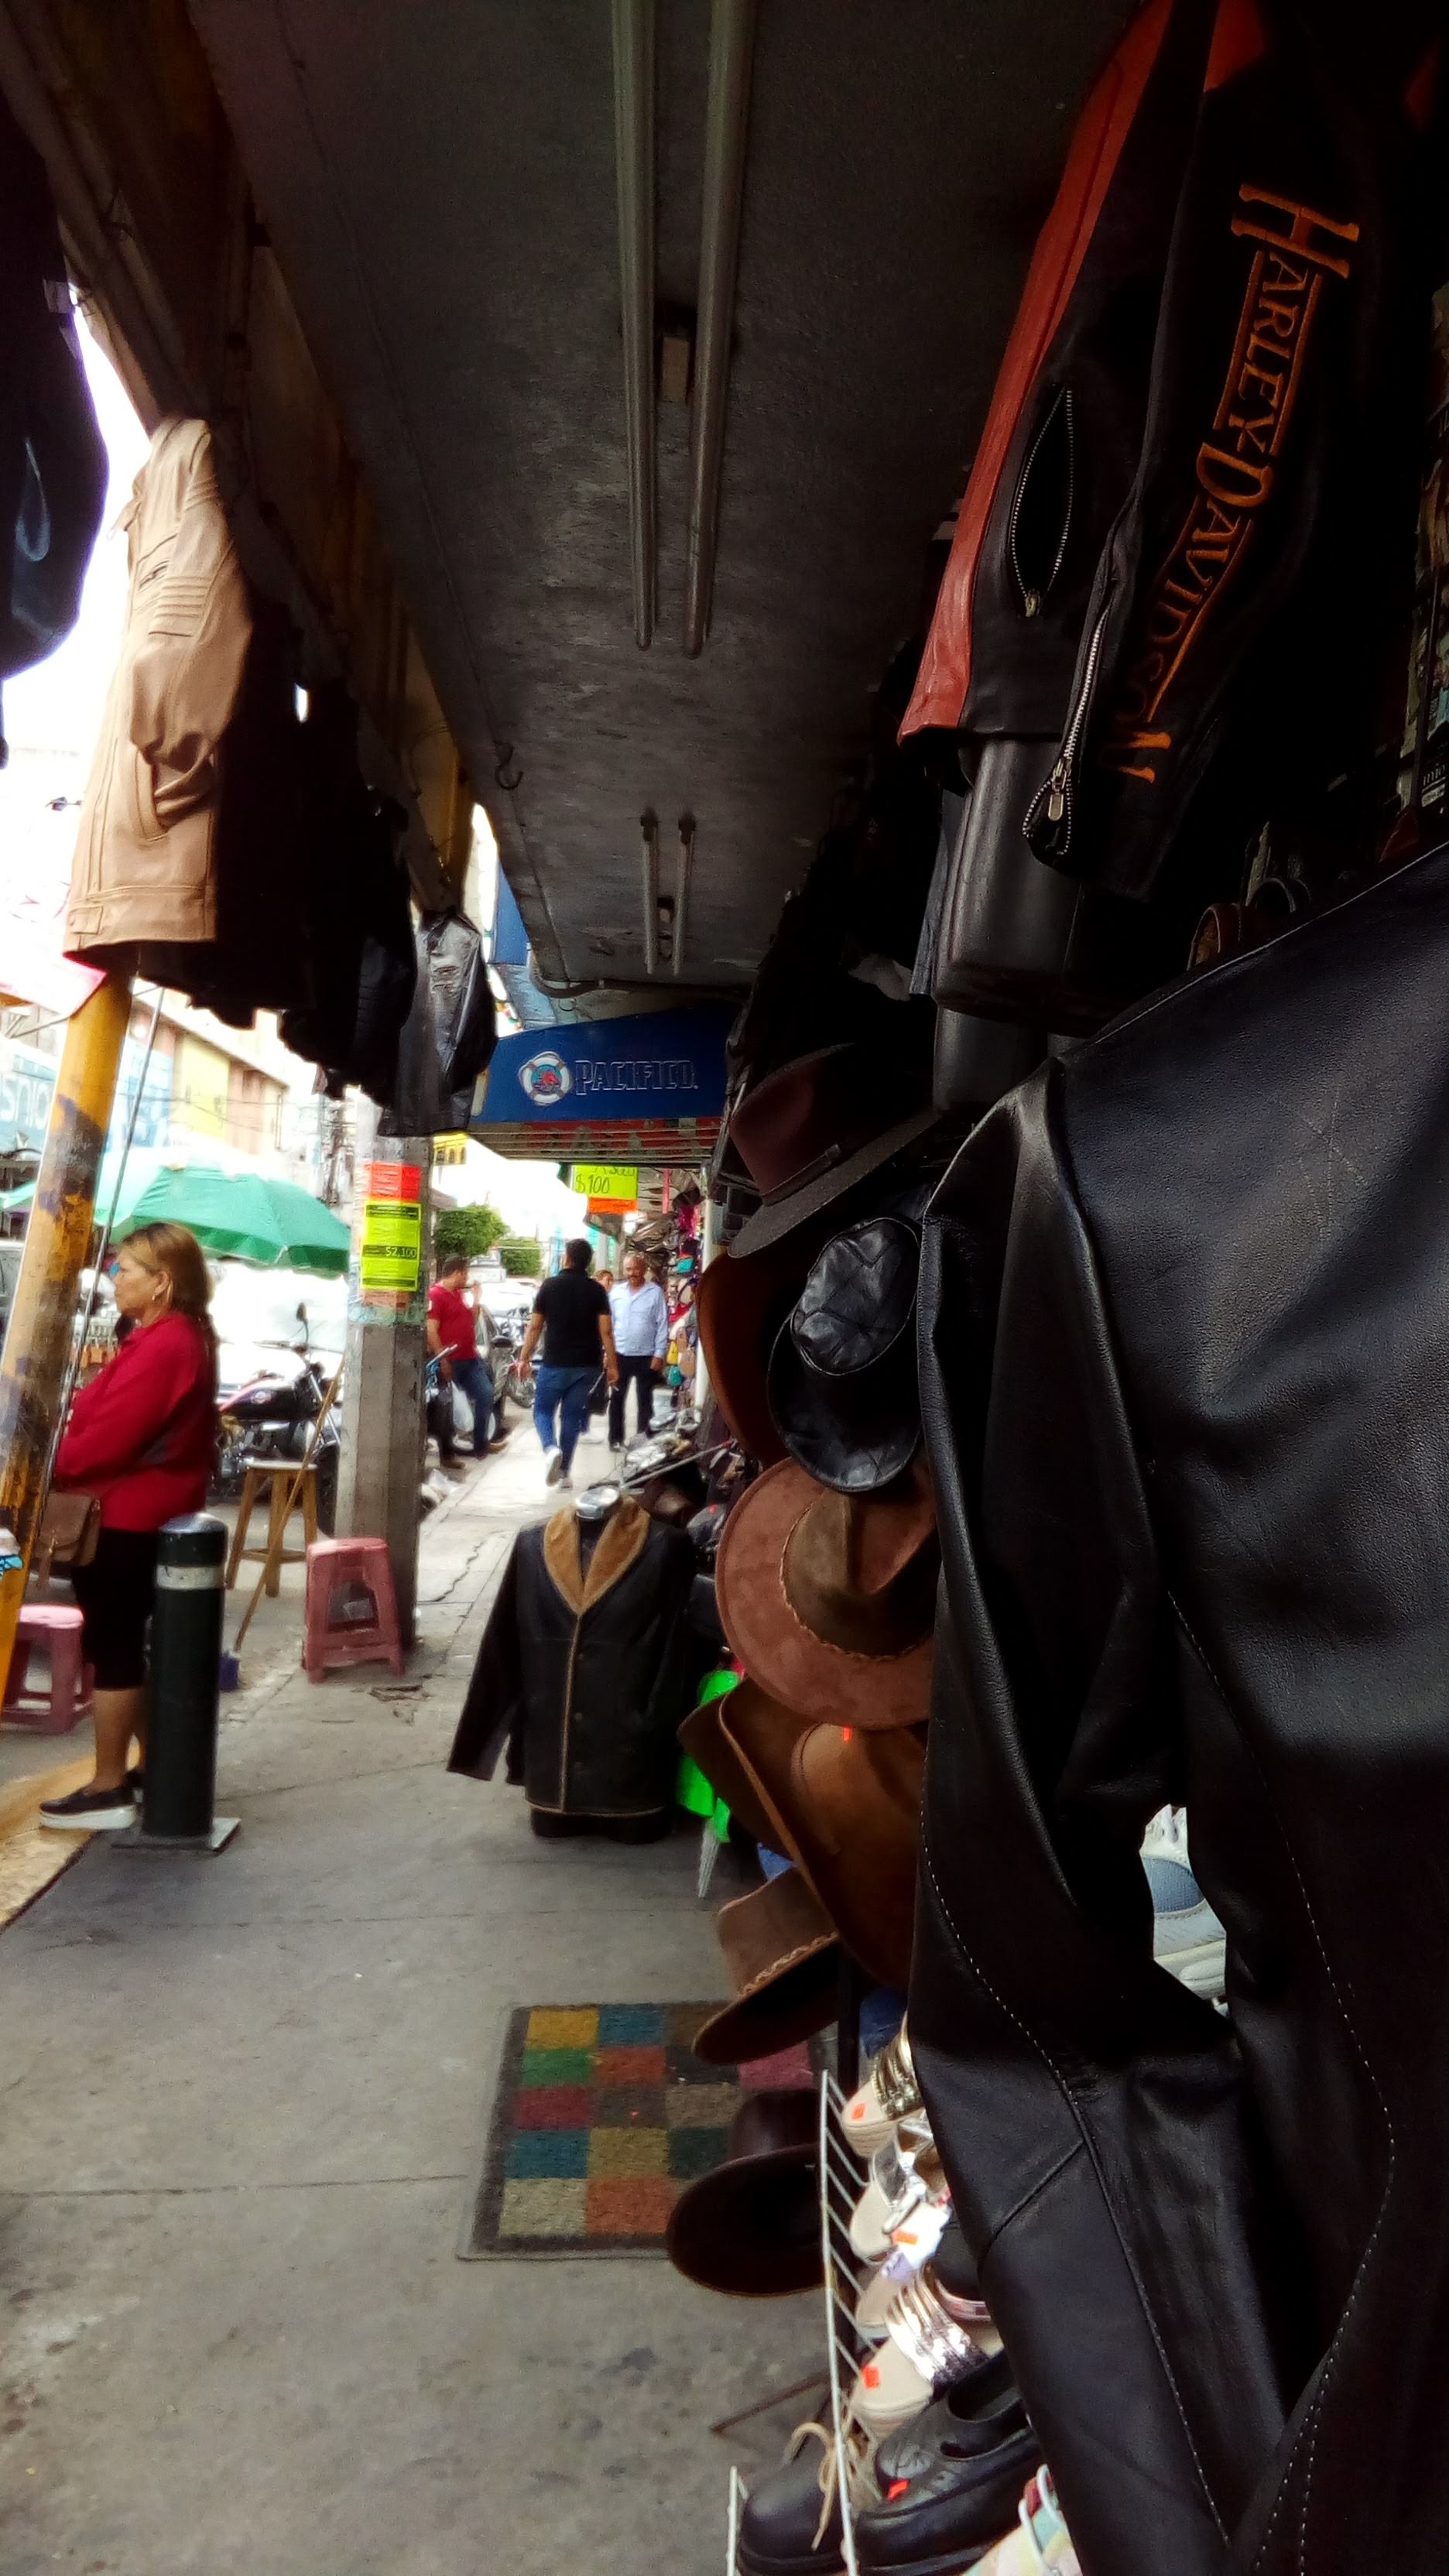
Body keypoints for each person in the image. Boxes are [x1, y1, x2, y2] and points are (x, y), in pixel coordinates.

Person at [39, 1222, 218, 1832]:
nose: (114, 1278)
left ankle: (109, 1784)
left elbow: (110, 1440)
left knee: (114, 1648)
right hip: (131, 1513)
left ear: (161, 1281)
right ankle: (162, 1765)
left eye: (125, 1268)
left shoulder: (169, 1343)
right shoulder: (165, 1337)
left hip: (125, 1518)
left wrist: (47, 1460)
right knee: (115, 1646)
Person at [518, 1238, 618, 1488]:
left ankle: (551, 1448)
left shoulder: (549, 1286)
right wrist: (613, 1365)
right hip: (587, 1366)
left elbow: (535, 1327)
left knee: (542, 1411)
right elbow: (606, 1331)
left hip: (555, 1362)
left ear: (567, 1258)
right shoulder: (597, 1291)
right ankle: (564, 1473)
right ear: (588, 1262)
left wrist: (524, 1358)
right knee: (571, 1417)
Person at [427, 1253, 508, 1472]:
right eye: (465, 1273)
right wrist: (442, 1358)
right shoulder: (436, 1295)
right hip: (450, 1360)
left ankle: (481, 1444)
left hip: (469, 1358)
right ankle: (447, 1454)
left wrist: (476, 1300)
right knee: (447, 1408)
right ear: (457, 1273)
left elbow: (469, 1321)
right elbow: (432, 1330)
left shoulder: (458, 1295)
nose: (467, 1278)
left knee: (486, 1393)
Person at [607, 1250, 667, 1453]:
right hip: (620, 1355)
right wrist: (607, 1353)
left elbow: (662, 1324)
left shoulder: (655, 1293)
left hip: (646, 1355)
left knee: (645, 1400)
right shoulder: (616, 1293)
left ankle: (643, 1440)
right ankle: (615, 1439)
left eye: (636, 1268)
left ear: (644, 1269)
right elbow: (608, 1325)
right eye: (628, 1269)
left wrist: (659, 1353)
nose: (632, 1273)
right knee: (617, 1399)